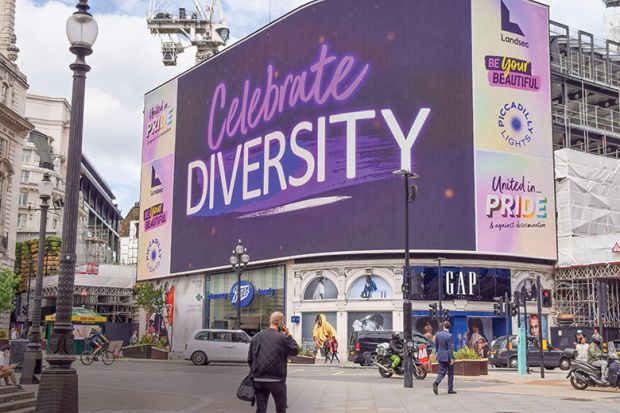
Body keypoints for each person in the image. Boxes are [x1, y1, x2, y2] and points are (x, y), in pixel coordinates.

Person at [248, 311, 298, 413]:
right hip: (277, 380)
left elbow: (250, 359)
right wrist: (289, 335)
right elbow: (295, 351)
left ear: (270, 321)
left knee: (261, 409)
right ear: (281, 323)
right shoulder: (283, 338)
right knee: (280, 409)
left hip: (259, 379)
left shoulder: (256, 337)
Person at [433, 321, 456, 395]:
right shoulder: (450, 336)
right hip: (448, 357)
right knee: (450, 373)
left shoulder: (438, 335)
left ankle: (436, 382)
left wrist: (436, 353)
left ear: (443, 326)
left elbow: (436, 346)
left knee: (441, 372)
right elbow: (450, 348)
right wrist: (452, 358)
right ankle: (450, 389)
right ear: (449, 327)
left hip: (440, 355)